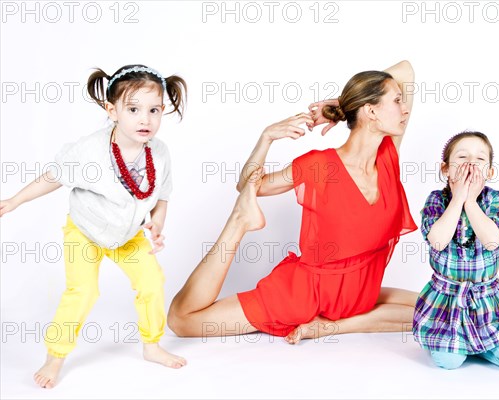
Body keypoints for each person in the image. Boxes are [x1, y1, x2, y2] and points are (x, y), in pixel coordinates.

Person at [167, 60, 419, 343]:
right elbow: (248, 187)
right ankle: (240, 221)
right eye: (397, 101)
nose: (406, 108)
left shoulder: (387, 156)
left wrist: (342, 105)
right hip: (303, 297)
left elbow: (405, 70)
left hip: (357, 296)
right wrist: (266, 138)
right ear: (371, 111)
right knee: (182, 319)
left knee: (442, 311)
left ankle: (330, 325)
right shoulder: (319, 166)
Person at [0, 65, 188, 388]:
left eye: (154, 110)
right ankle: (55, 356)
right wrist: (15, 201)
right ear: (112, 111)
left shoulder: (160, 153)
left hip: (128, 235)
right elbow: (52, 178)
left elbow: (163, 196)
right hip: (85, 232)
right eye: (133, 109)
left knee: (152, 282)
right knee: (83, 291)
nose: (145, 119)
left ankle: (152, 345)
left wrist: (156, 225)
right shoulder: (90, 151)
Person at [413, 131, 499, 370]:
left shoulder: (495, 200)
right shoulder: (436, 200)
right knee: (449, 362)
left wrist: (471, 202)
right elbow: (437, 242)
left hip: (487, 301)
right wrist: (457, 199)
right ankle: (452, 342)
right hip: (446, 300)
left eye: (480, 160)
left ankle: (481, 344)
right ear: (445, 170)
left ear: (491, 172)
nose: (471, 164)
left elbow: (491, 242)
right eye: (462, 157)